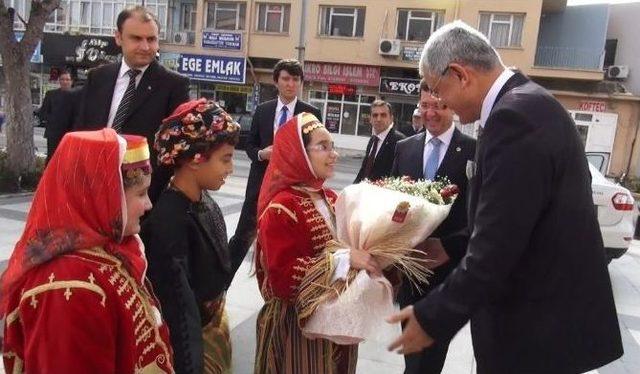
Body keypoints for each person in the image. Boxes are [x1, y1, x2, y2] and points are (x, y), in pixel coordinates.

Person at [388, 21, 623, 374]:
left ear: (460, 74)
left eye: (438, 91)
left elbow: (498, 247)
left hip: (533, 335)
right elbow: (520, 218)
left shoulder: (513, 118)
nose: (436, 104)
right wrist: (450, 247)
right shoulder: (530, 103)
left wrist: (431, 317)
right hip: (545, 328)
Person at [0, 129, 174, 373]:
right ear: (106, 197)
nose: (149, 204)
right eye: (141, 193)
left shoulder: (110, 249)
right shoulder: (68, 285)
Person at [254, 112, 380, 374]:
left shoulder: (333, 199)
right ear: (298, 153)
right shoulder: (281, 207)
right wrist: (344, 260)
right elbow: (282, 279)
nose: (333, 154)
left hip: (337, 324)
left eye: (332, 146)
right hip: (298, 330)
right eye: (323, 147)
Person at [141, 99, 242, 374]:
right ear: (195, 160)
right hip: (194, 349)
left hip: (211, 334)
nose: (231, 168)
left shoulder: (203, 200)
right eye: (226, 159)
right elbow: (179, 315)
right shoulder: (169, 222)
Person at [391, 80, 476, 374]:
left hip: (448, 276)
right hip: (409, 274)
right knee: (412, 357)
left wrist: (449, 247)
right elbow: (390, 203)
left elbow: (480, 218)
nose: (432, 112)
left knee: (429, 359)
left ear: (451, 107)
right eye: (426, 105)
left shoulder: (474, 151)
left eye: (440, 105)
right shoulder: (404, 148)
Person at [76, 6, 190, 203]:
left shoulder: (174, 85)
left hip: (142, 199)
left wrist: (146, 197)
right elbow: (82, 132)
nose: (146, 47)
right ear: (118, 37)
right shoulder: (98, 77)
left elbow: (175, 151)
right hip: (93, 190)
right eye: (136, 38)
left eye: (151, 39)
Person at [229, 59, 322, 271]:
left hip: (293, 188)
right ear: (276, 81)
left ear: (300, 83)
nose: (290, 84)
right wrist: (262, 154)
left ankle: (279, 296)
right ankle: (218, 288)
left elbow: (316, 151)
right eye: (286, 79)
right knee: (243, 236)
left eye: (295, 79)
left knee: (286, 244)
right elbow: (250, 145)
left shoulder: (310, 114)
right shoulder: (263, 110)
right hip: (260, 184)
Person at [354, 99, 406, 183]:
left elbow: (400, 176)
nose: (378, 119)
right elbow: (364, 171)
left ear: (391, 118)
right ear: (370, 119)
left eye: (383, 115)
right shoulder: (373, 140)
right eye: (375, 115)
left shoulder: (400, 141)